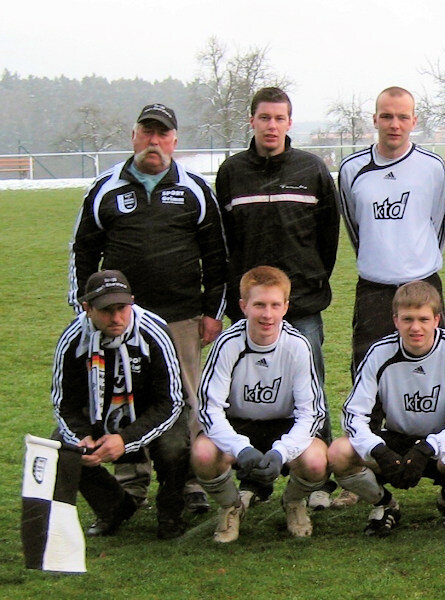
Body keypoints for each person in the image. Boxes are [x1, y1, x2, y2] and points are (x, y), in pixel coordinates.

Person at [69, 103, 226, 513]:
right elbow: (82, 252)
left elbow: (216, 256)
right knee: (120, 397)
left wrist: (212, 311)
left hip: (180, 317)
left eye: (162, 134)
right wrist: (83, 309)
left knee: (185, 399)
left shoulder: (195, 189)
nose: (154, 142)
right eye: (146, 133)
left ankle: (188, 482)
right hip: (117, 320)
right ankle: (131, 482)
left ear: (175, 141)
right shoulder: (105, 189)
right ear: (134, 136)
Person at [216, 86, 339, 508]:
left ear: (290, 122)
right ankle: (256, 474)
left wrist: (309, 280)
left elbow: (328, 237)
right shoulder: (232, 172)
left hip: (301, 305)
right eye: (264, 117)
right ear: (252, 120)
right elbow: (226, 240)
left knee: (312, 388)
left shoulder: (311, 168)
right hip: (250, 308)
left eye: (279, 118)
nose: (272, 126)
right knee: (249, 390)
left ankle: (316, 481)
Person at [328, 281, 445, 536]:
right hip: (395, 439)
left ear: (436, 319)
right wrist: (378, 450)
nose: (415, 327)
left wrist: (427, 448)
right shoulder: (379, 352)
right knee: (339, 453)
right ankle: (385, 504)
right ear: (395, 320)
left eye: (423, 319)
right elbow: (354, 414)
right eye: (407, 319)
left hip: (438, 442)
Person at [192, 266, 328, 543]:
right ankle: (231, 507)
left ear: (286, 307)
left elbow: (311, 413)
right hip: (239, 425)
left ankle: (293, 503)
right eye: (259, 305)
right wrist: (239, 448)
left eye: (275, 305)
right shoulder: (227, 344)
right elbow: (209, 408)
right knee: (203, 453)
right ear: (243, 306)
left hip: (283, 426)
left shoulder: (298, 345)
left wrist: (282, 452)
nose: (267, 314)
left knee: (317, 460)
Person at [51, 270, 188, 539]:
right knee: (63, 446)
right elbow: (63, 403)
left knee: (175, 446)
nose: (116, 318)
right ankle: (114, 508)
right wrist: (82, 438)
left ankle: (170, 513)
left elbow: (171, 401)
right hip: (99, 418)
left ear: (132, 302)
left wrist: (125, 439)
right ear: (87, 308)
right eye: (106, 310)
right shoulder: (72, 340)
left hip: (151, 415)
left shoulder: (155, 332)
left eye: (122, 308)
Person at [337, 86, 445, 377]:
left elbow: (438, 224)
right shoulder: (352, 168)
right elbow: (355, 227)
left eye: (402, 117)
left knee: (431, 374)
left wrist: (415, 260)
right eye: (387, 116)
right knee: (368, 375)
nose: (394, 124)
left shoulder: (432, 167)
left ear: (414, 120)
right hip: (374, 289)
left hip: (424, 284)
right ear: (375, 120)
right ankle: (370, 426)